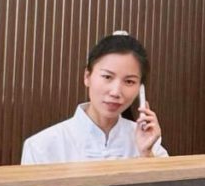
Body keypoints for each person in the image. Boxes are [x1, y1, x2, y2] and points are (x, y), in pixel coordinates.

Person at [21, 32, 167, 164]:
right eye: (107, 77)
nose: (115, 92)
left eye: (129, 81)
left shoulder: (150, 143)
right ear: (87, 76)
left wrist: (146, 156)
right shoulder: (41, 147)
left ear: (140, 88)